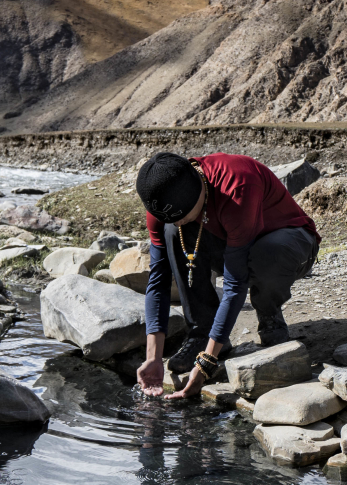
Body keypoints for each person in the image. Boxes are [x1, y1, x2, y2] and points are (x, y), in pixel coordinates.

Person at [134, 151, 319, 399]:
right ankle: (202, 331)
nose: (178, 223)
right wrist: (153, 358)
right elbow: (157, 282)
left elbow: (234, 285)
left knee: (268, 254)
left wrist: (206, 364)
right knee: (171, 234)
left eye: (182, 218)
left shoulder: (236, 186)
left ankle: (269, 314)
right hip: (230, 237)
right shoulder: (161, 198)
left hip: (290, 242)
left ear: (200, 194)